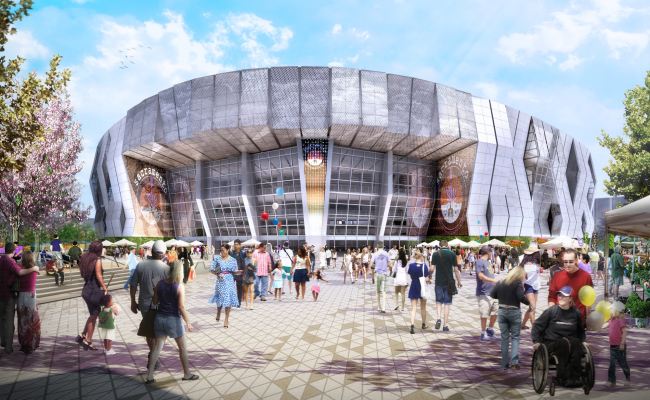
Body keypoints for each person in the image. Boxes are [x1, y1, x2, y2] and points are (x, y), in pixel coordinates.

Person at [146, 259, 198, 384]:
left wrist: (155, 291)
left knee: (157, 348)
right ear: (180, 271)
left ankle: (150, 376)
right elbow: (181, 307)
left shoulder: (160, 283)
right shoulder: (179, 286)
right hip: (173, 320)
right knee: (182, 348)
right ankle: (187, 374)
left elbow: (154, 302)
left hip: (159, 318)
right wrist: (188, 322)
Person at [532, 286, 588, 387]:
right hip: (552, 342)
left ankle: (576, 377)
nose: (560, 298)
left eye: (564, 296)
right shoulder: (552, 311)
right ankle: (563, 377)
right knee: (563, 344)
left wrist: (583, 341)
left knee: (576, 343)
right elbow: (537, 325)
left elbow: (580, 330)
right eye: (559, 295)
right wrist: (536, 341)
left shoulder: (576, 312)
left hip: (570, 342)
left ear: (570, 298)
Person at [130, 240, 169, 369]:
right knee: (160, 332)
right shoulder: (166, 268)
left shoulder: (141, 265)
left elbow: (133, 285)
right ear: (163, 254)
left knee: (149, 332)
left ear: (151, 251)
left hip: (145, 305)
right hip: (161, 305)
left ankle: (152, 354)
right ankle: (153, 356)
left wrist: (132, 302)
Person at [1, 243, 39, 354]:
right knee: (11, 321)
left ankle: (4, 341)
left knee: (4, 320)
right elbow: (18, 273)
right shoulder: (11, 262)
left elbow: (13, 276)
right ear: (13, 251)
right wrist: (34, 268)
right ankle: (10, 347)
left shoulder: (1, 260)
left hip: (5, 296)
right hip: (13, 296)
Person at [490, 266, 530, 370]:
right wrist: (530, 304)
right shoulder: (517, 283)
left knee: (504, 338)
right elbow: (521, 297)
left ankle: (504, 364)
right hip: (514, 311)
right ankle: (514, 363)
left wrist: (503, 297)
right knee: (515, 337)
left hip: (502, 311)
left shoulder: (501, 281)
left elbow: (492, 294)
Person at [76, 241, 107, 351]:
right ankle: (88, 341)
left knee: (93, 313)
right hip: (93, 291)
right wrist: (105, 288)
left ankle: (83, 335)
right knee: (94, 314)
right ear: (99, 250)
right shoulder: (97, 260)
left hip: (87, 289)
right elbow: (98, 276)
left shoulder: (86, 258)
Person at [549, 249, 593, 323]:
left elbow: (588, 299)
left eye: (571, 261)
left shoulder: (586, 276)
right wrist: (551, 315)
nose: (568, 264)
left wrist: (587, 317)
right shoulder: (557, 276)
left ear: (576, 260)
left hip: (578, 321)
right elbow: (552, 297)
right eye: (565, 262)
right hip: (559, 320)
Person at [430, 240, 462, 331]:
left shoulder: (436, 254)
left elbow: (432, 268)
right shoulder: (452, 254)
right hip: (449, 282)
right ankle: (445, 325)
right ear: (447, 246)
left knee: (438, 301)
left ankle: (438, 318)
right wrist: (459, 281)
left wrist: (430, 276)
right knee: (447, 304)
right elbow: (456, 270)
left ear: (439, 246)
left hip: (438, 282)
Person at [16, 251, 41, 355]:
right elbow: (35, 268)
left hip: (21, 296)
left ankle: (24, 343)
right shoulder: (35, 269)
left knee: (23, 320)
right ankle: (33, 343)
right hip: (31, 296)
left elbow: (19, 272)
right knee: (33, 318)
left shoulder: (19, 270)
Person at [209, 244, 239, 327]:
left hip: (229, 280)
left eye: (223, 250)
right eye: (221, 250)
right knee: (220, 298)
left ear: (228, 250)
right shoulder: (217, 259)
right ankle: (218, 312)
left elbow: (234, 270)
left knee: (228, 299)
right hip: (220, 280)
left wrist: (238, 272)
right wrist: (218, 274)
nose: (222, 252)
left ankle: (226, 319)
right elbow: (211, 269)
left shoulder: (233, 260)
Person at [475, 245, 500, 341]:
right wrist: (493, 280)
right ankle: (483, 332)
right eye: (491, 252)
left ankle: (490, 329)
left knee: (495, 310)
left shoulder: (488, 263)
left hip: (493, 292)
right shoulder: (480, 262)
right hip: (483, 292)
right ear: (489, 252)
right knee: (484, 313)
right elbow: (480, 276)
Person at [604, 301, 631, 387]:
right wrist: (597, 325)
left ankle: (627, 378)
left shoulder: (620, 321)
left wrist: (622, 343)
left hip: (619, 346)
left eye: (611, 310)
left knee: (623, 363)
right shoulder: (611, 320)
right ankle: (611, 381)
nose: (609, 312)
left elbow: (624, 332)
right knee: (612, 364)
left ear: (616, 311)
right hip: (612, 346)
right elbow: (605, 325)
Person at [407, 250, 430, 334]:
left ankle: (412, 325)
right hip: (422, 287)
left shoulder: (411, 266)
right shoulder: (424, 266)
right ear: (421, 257)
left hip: (414, 286)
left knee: (413, 308)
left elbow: (411, 276)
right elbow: (427, 279)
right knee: (423, 307)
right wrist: (428, 279)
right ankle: (424, 324)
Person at [520, 245, 541, 330]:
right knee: (532, 307)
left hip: (536, 286)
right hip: (528, 287)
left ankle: (523, 325)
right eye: (537, 253)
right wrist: (522, 287)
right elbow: (521, 277)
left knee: (532, 307)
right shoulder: (523, 265)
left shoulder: (535, 263)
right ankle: (534, 327)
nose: (539, 254)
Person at [370, 241, 391, 313]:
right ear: (383, 246)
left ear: (377, 246)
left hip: (377, 274)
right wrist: (385, 265)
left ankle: (379, 307)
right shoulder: (386, 253)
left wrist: (375, 266)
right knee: (384, 291)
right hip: (384, 274)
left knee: (378, 291)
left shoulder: (375, 254)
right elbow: (390, 264)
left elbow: (371, 265)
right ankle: (384, 308)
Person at [229, 239, 247, 307]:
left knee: (239, 288)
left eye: (237, 244)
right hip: (232, 273)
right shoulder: (231, 253)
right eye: (235, 244)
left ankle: (238, 302)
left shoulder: (243, 253)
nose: (235, 246)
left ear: (240, 245)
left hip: (240, 274)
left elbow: (246, 262)